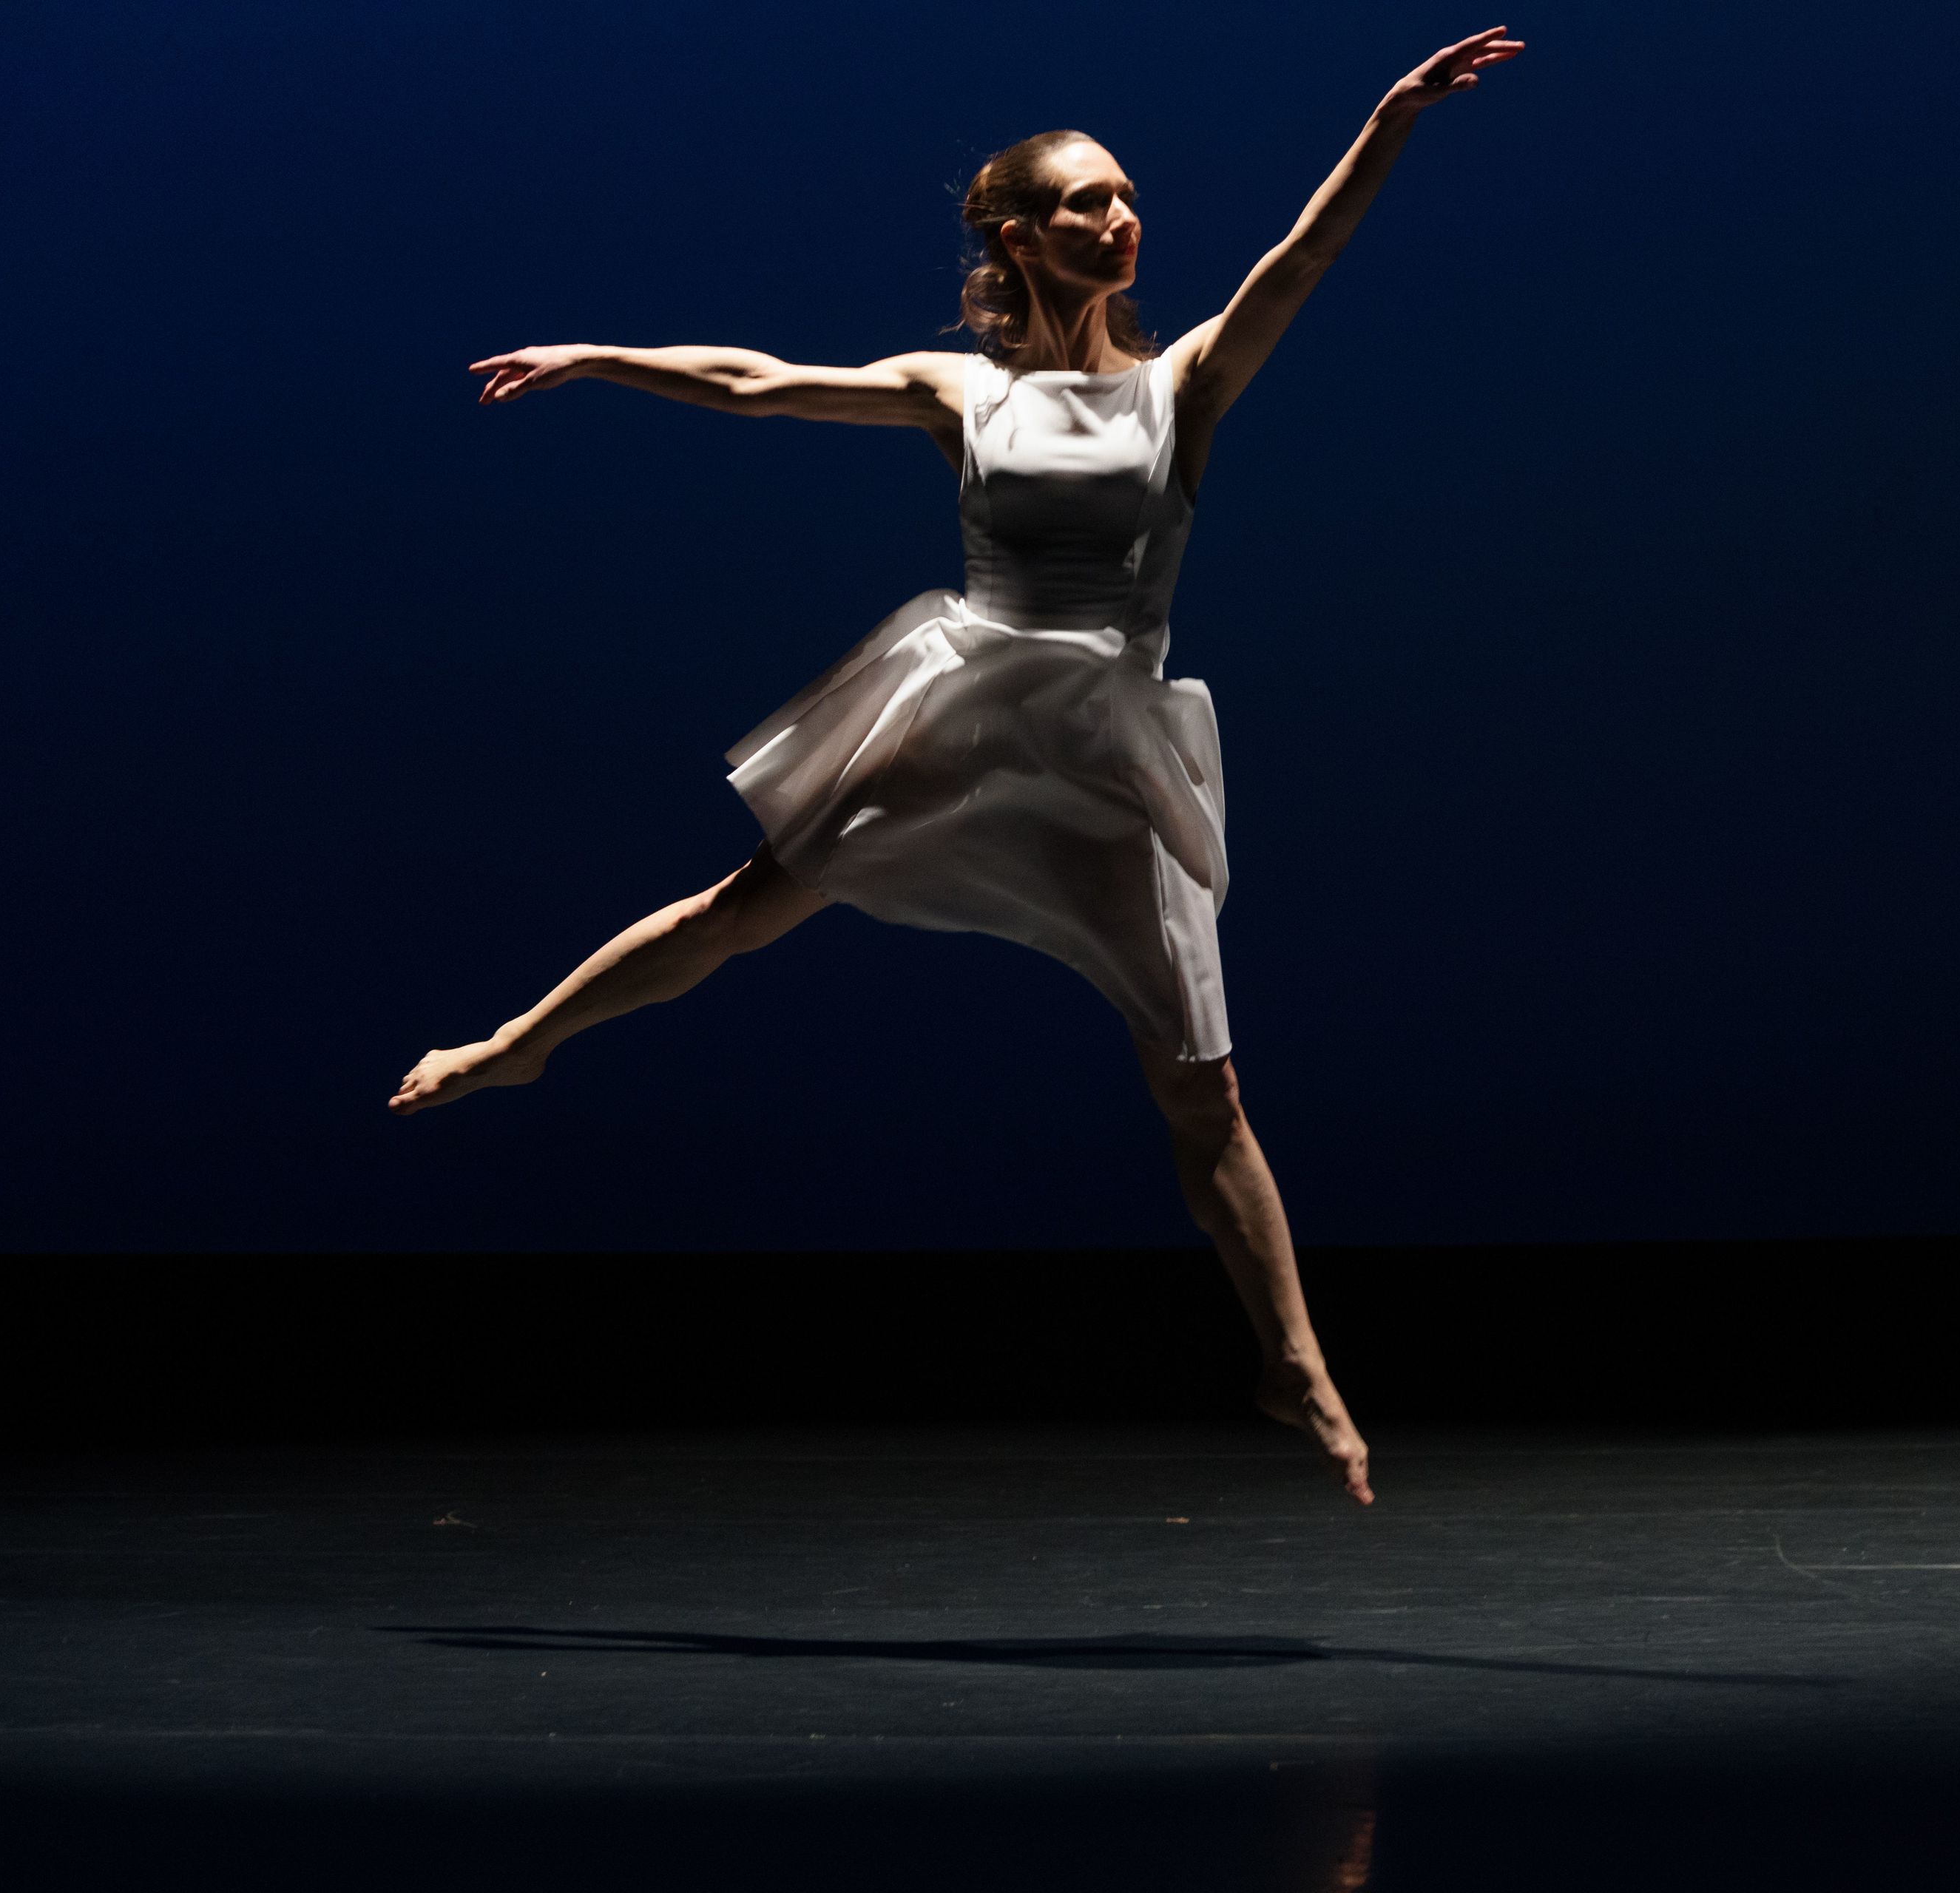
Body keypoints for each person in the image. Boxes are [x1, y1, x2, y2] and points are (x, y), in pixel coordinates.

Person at [390, 27, 1527, 1506]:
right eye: (1088, 201)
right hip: (970, 703)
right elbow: (757, 381)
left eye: (1128, 197)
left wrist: (1391, 119)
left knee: (1203, 1085)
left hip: (1111, 742)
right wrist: (598, 357)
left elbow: (1299, 262)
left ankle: (1292, 1359)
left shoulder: (1181, 384)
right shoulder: (961, 391)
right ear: (1020, 236)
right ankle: (519, 1043)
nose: (1122, 218)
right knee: (745, 907)